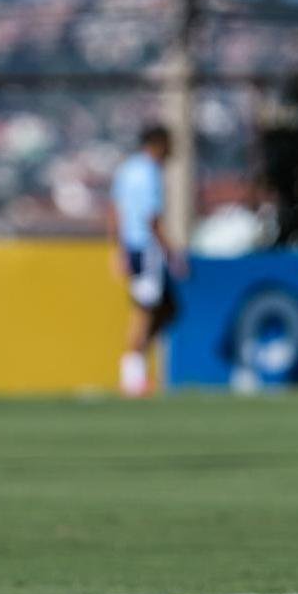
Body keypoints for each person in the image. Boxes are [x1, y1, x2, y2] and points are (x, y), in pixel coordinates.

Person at [107, 125, 187, 396]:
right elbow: (151, 218)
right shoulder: (149, 173)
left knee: (166, 308)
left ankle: (137, 368)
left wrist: (118, 249)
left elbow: (115, 211)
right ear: (159, 144)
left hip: (132, 246)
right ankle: (132, 375)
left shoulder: (127, 169)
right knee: (144, 311)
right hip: (147, 248)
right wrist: (170, 252)